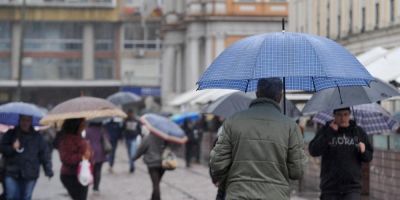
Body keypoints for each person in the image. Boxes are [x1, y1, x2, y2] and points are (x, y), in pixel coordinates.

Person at [209, 78, 306, 199]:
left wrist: (231, 179)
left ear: (257, 93)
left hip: (239, 195)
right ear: (280, 96)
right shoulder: (291, 127)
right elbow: (297, 171)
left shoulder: (233, 121)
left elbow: (217, 164)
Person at [309, 107, 373, 200]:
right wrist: (330, 132)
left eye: (345, 114)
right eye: (339, 115)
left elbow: (368, 157)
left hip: (352, 187)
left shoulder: (358, 132)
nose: (342, 118)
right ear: (334, 115)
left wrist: (363, 151)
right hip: (330, 187)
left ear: (350, 115)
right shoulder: (326, 130)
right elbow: (313, 150)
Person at [0, 115, 53, 200]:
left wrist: (48, 169)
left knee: (26, 197)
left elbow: (44, 154)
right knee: (12, 196)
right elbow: (2, 149)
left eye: (28, 120)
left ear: (31, 122)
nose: (25, 123)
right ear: (19, 120)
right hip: (11, 171)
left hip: (30, 172)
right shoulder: (11, 134)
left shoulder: (37, 137)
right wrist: (12, 148)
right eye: (23, 120)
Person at [57, 118, 91, 200]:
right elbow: (65, 158)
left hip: (83, 174)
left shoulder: (80, 137)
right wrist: (82, 157)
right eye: (83, 123)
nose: (85, 125)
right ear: (76, 125)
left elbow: (87, 155)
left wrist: (89, 153)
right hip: (71, 176)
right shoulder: (66, 140)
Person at [134, 129, 167, 200]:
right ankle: (153, 198)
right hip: (163, 163)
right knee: (157, 183)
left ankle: (157, 198)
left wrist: (135, 157)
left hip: (152, 164)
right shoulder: (164, 137)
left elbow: (141, 149)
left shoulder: (148, 137)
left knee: (156, 184)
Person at [85, 121, 108, 194]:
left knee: (91, 169)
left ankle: (88, 184)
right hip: (100, 152)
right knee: (98, 170)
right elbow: (107, 138)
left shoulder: (87, 130)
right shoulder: (102, 130)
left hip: (90, 152)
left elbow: (85, 140)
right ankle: (96, 187)